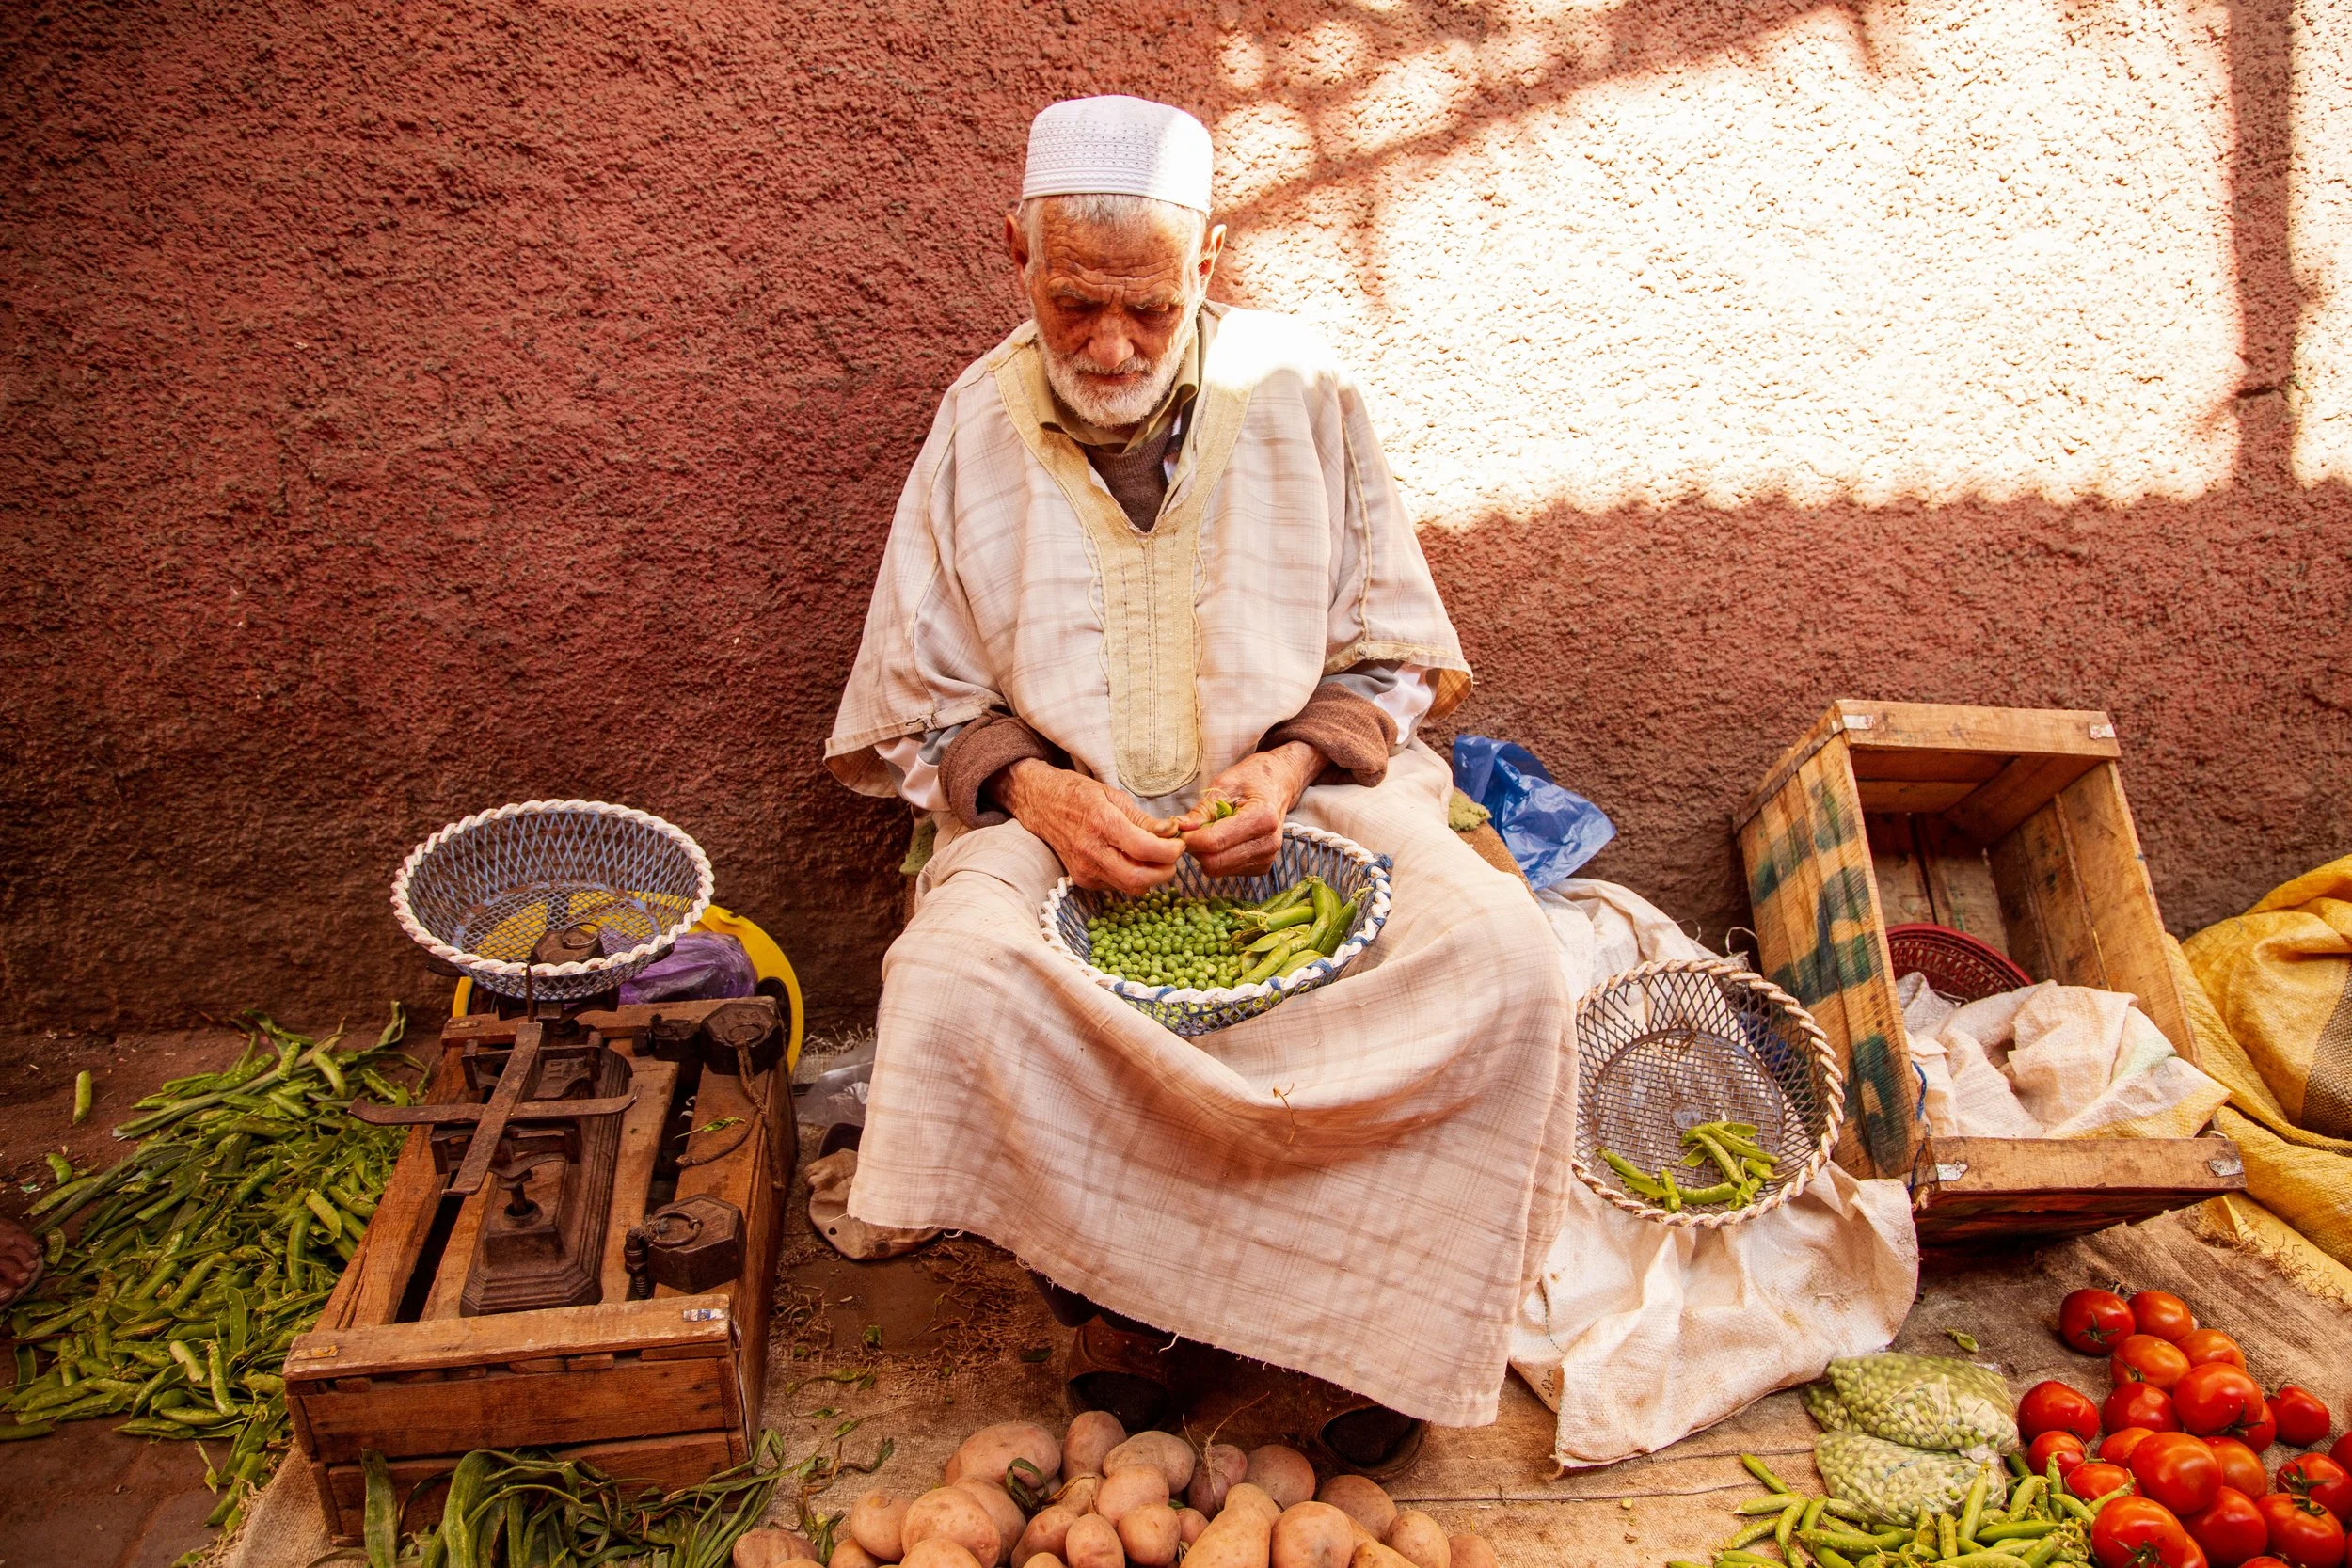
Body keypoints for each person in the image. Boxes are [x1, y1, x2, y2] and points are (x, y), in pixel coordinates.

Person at [826, 96, 1573, 1477]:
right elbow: (916, 702)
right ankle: (1131, 1323)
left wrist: (1287, 767)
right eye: (1076, 303)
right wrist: (1041, 795)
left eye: (1149, 311)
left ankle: (1386, 1323)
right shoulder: (971, 429)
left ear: (1210, 266)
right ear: (1018, 257)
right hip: (1058, 832)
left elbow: (1396, 652)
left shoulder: (1305, 398)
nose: (1109, 344)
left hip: (1311, 810)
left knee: (1512, 968)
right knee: (954, 980)